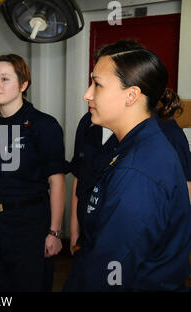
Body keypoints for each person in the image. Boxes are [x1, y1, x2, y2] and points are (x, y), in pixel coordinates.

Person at [63, 40, 191, 291]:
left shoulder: (137, 171)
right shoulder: (139, 145)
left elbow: (112, 271)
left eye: (97, 85)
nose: (87, 94)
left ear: (131, 95)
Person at [0, 54, 68, 292]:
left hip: (28, 224)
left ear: (23, 85)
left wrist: (55, 232)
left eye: (5, 79)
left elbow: (56, 181)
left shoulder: (43, 125)